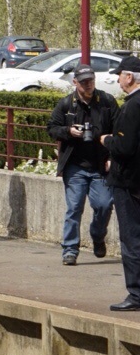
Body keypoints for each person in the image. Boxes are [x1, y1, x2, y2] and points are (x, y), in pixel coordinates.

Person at [47, 64, 117, 265]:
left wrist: (112, 158)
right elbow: (52, 128)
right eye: (84, 81)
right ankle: (70, 249)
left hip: (100, 165)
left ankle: (97, 235)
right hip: (75, 166)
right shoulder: (67, 104)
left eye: (91, 80)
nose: (89, 85)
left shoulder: (106, 101)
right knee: (74, 208)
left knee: (104, 205)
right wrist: (68, 132)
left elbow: (119, 130)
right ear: (75, 82)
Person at [102, 55, 140, 311]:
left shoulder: (132, 106)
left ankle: (136, 295)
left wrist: (106, 141)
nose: (117, 80)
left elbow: (125, 147)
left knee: (131, 239)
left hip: (128, 182)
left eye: (119, 75)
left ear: (129, 76)